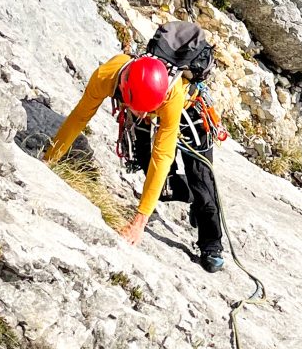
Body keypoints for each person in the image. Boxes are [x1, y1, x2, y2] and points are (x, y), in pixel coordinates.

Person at [43, 22, 227, 272]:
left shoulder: (171, 96)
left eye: (146, 110)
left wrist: (140, 221)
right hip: (143, 106)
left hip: (191, 111)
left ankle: (211, 243)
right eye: (140, 109)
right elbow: (79, 118)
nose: (142, 114)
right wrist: (49, 159)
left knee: (201, 178)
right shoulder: (106, 76)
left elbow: (163, 155)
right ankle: (190, 194)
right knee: (161, 188)